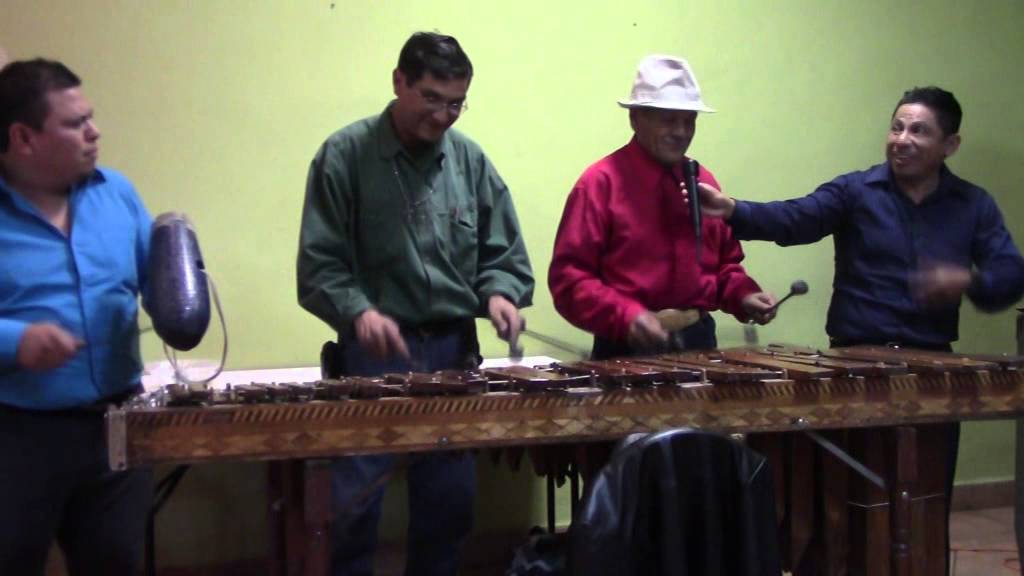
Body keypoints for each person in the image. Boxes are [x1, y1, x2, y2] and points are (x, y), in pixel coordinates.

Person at [696, 85, 1024, 573]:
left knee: (925, 501)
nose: (902, 139)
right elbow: (796, 218)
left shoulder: (972, 205)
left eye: (919, 131)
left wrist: (967, 280)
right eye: (897, 127)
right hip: (853, 365)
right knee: (847, 505)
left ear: (950, 145)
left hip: (932, 370)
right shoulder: (855, 191)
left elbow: (1010, 275)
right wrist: (734, 210)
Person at [296, 32, 534, 575]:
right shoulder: (344, 156)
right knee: (353, 507)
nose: (443, 116)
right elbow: (319, 263)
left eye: (456, 103)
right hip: (373, 357)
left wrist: (499, 293)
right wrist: (359, 311)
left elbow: (502, 253)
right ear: (399, 81)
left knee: (449, 506)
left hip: (453, 351)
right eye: (431, 98)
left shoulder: (469, 160)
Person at [0, 58, 153, 575]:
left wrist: (183, 289)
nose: (95, 131)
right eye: (75, 122)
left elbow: (159, 285)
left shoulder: (118, 193)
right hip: (16, 436)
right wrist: (14, 340)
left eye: (91, 117)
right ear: (23, 137)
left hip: (117, 428)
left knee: (116, 564)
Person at [549, 54, 777, 360]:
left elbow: (724, 266)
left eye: (689, 121)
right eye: (669, 120)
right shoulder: (598, 184)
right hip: (624, 346)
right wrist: (626, 316)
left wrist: (744, 295)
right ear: (635, 119)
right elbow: (570, 280)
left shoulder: (704, 182)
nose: (681, 132)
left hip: (699, 342)